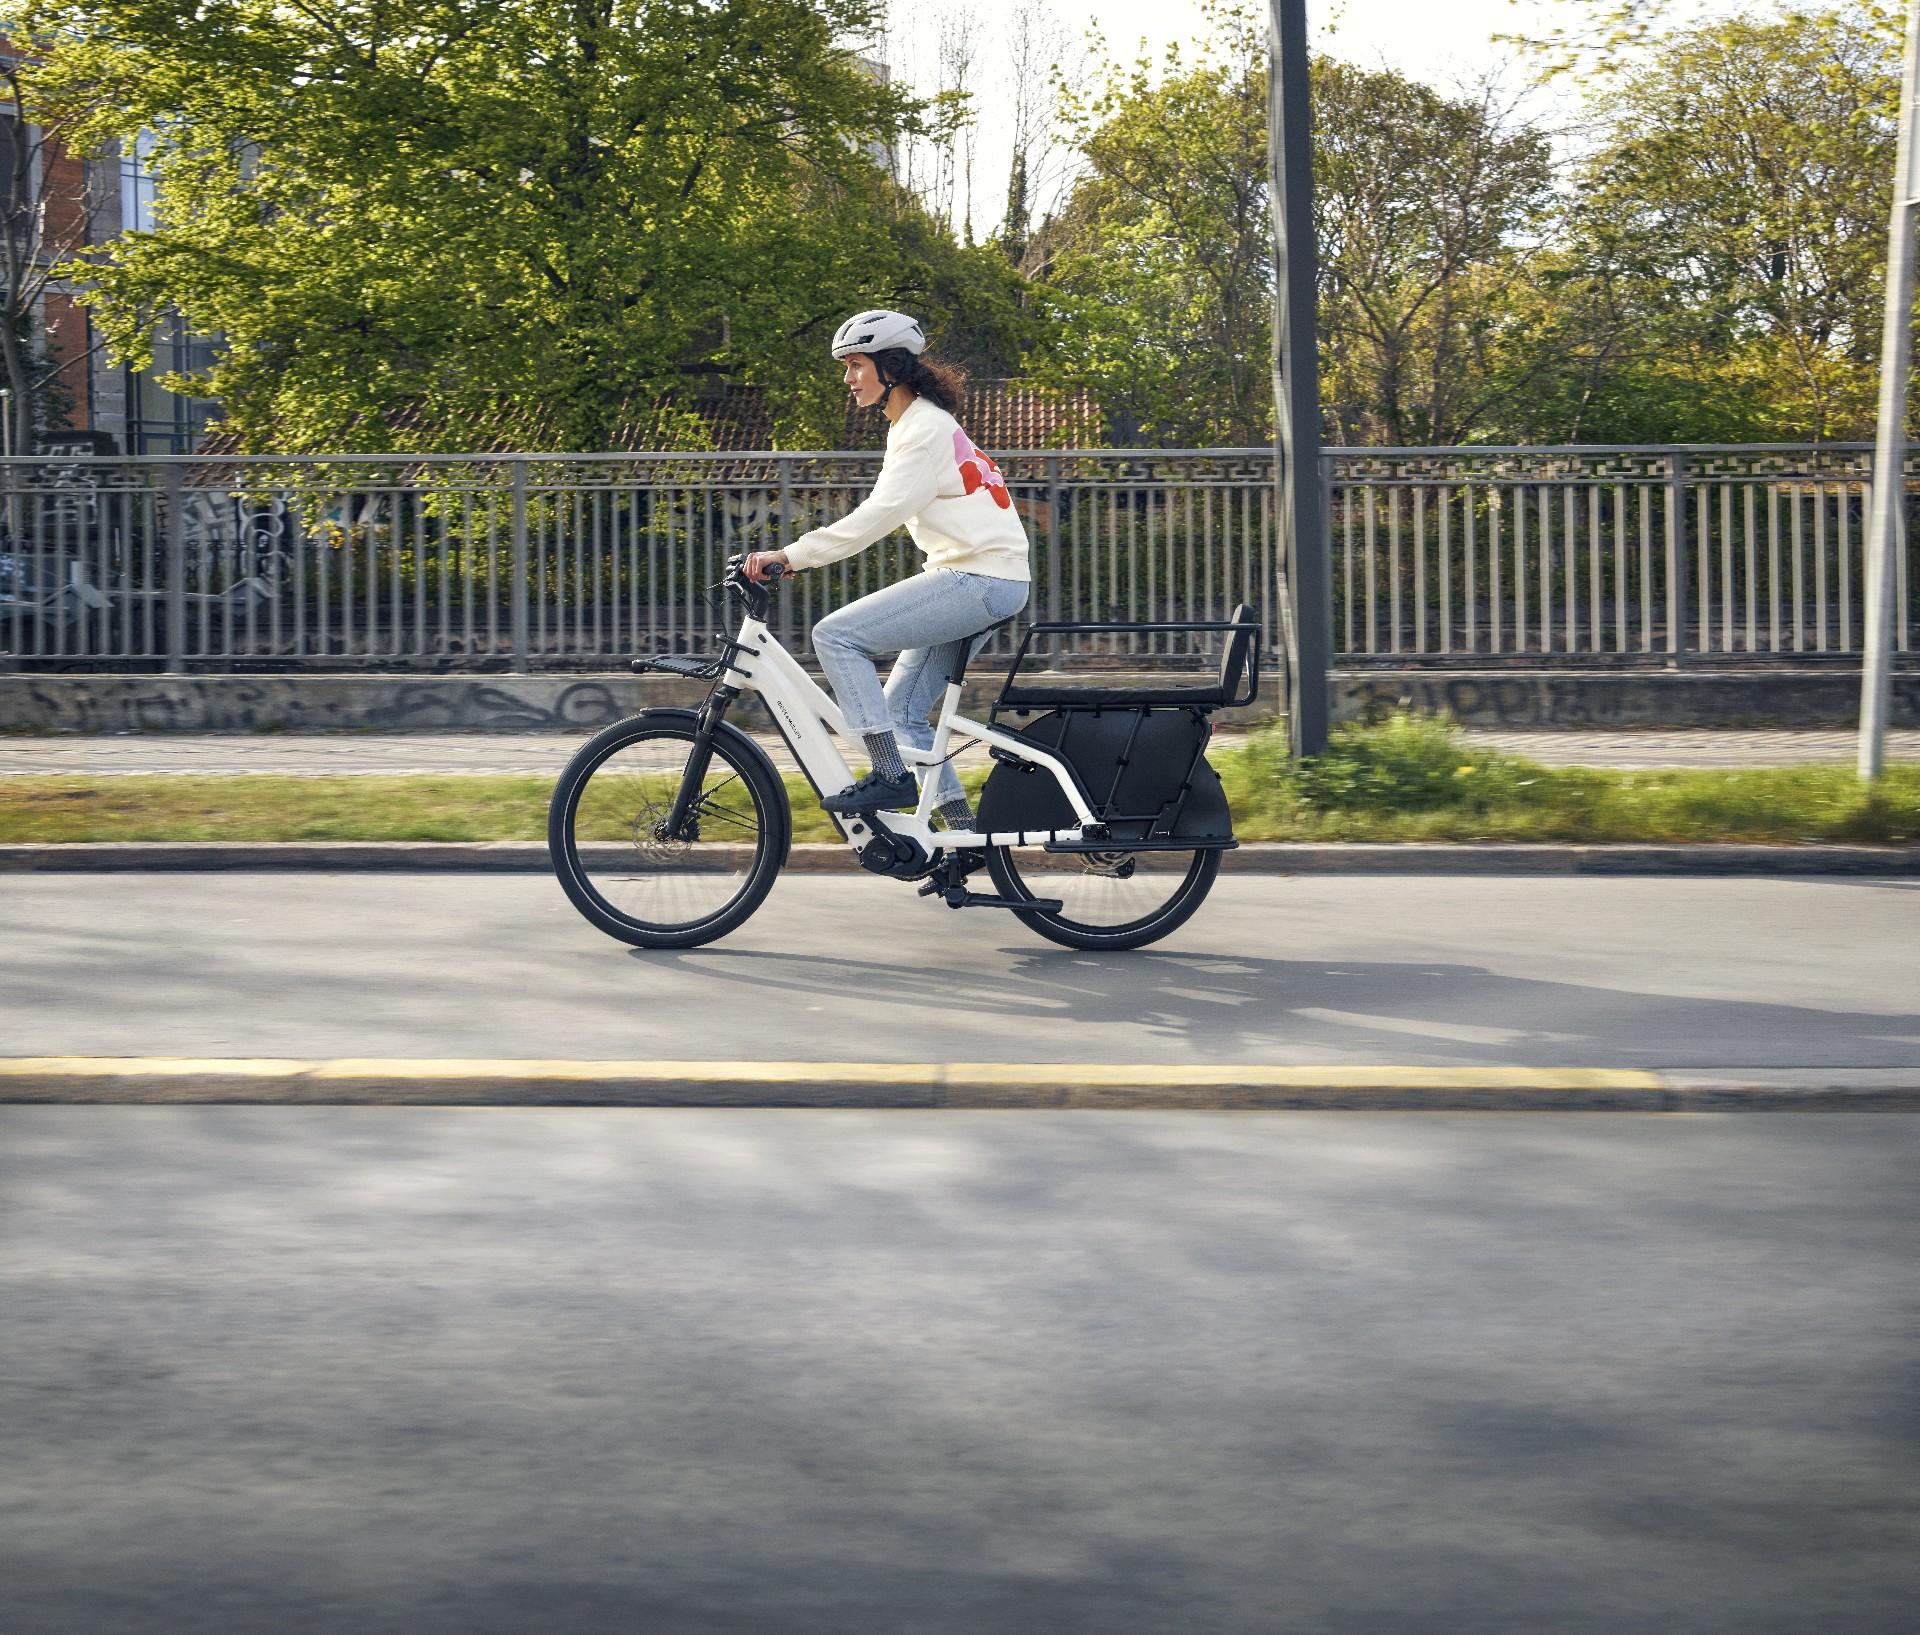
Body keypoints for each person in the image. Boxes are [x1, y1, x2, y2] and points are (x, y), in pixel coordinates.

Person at [744, 308, 1030, 828]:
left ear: (891, 366)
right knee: (899, 713)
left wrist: (792, 555)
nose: (848, 379)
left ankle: (888, 774)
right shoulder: (920, 424)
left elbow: (876, 517)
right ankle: (963, 837)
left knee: (835, 636)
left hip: (977, 579)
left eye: (856, 365)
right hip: (987, 579)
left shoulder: (923, 430)